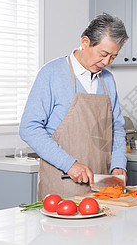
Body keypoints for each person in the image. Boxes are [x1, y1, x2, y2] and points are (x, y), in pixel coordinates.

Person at [19, 13, 128, 200]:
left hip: (102, 186)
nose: (106, 62)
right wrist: (70, 164)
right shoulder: (51, 73)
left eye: (113, 57)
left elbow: (116, 127)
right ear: (85, 42)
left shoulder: (107, 80)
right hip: (62, 183)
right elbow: (29, 128)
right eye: (103, 54)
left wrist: (118, 165)